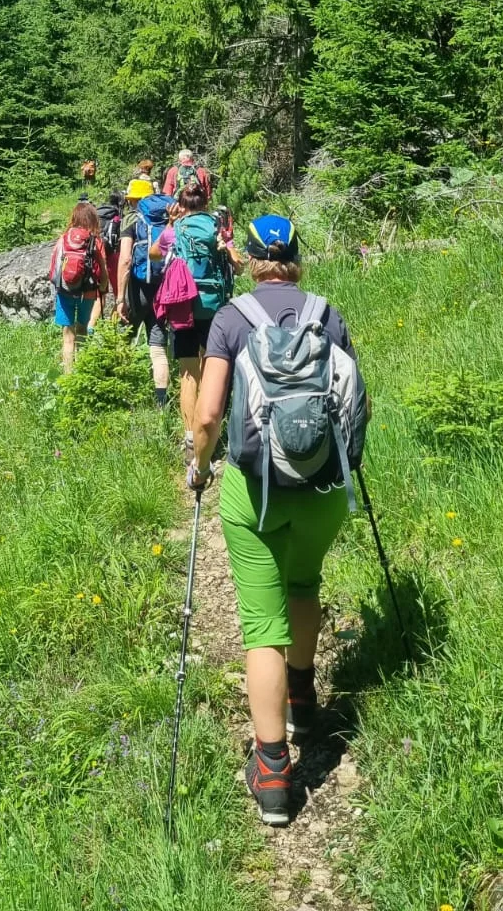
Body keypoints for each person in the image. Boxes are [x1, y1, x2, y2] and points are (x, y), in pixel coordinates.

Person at [187, 215, 365, 827]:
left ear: (248, 259)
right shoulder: (327, 313)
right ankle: (303, 694)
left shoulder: (233, 319)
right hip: (320, 486)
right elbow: (352, 399)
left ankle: (271, 771)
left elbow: (209, 414)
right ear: (294, 256)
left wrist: (198, 466)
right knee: (304, 585)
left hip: (254, 491)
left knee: (262, 624)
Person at [164, 180, 234, 459]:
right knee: (211, 369)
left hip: (184, 304)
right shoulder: (217, 225)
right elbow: (234, 261)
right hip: (213, 304)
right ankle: (211, 434)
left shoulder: (177, 228)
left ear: (182, 205)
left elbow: (157, 253)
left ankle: (191, 437)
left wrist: (170, 224)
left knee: (187, 372)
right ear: (206, 202)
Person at [117, 177, 172, 407]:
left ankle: (121, 396)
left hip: (137, 291)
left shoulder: (131, 219)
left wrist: (120, 298)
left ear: (133, 200)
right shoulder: (168, 219)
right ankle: (161, 405)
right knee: (158, 349)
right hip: (163, 291)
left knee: (122, 341)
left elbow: (126, 259)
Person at [49, 201, 110, 374]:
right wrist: (103, 286)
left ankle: (68, 376)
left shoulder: (64, 237)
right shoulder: (95, 240)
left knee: (68, 335)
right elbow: (103, 267)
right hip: (88, 292)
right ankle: (82, 374)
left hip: (65, 290)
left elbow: (54, 266)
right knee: (82, 330)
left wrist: (58, 285)